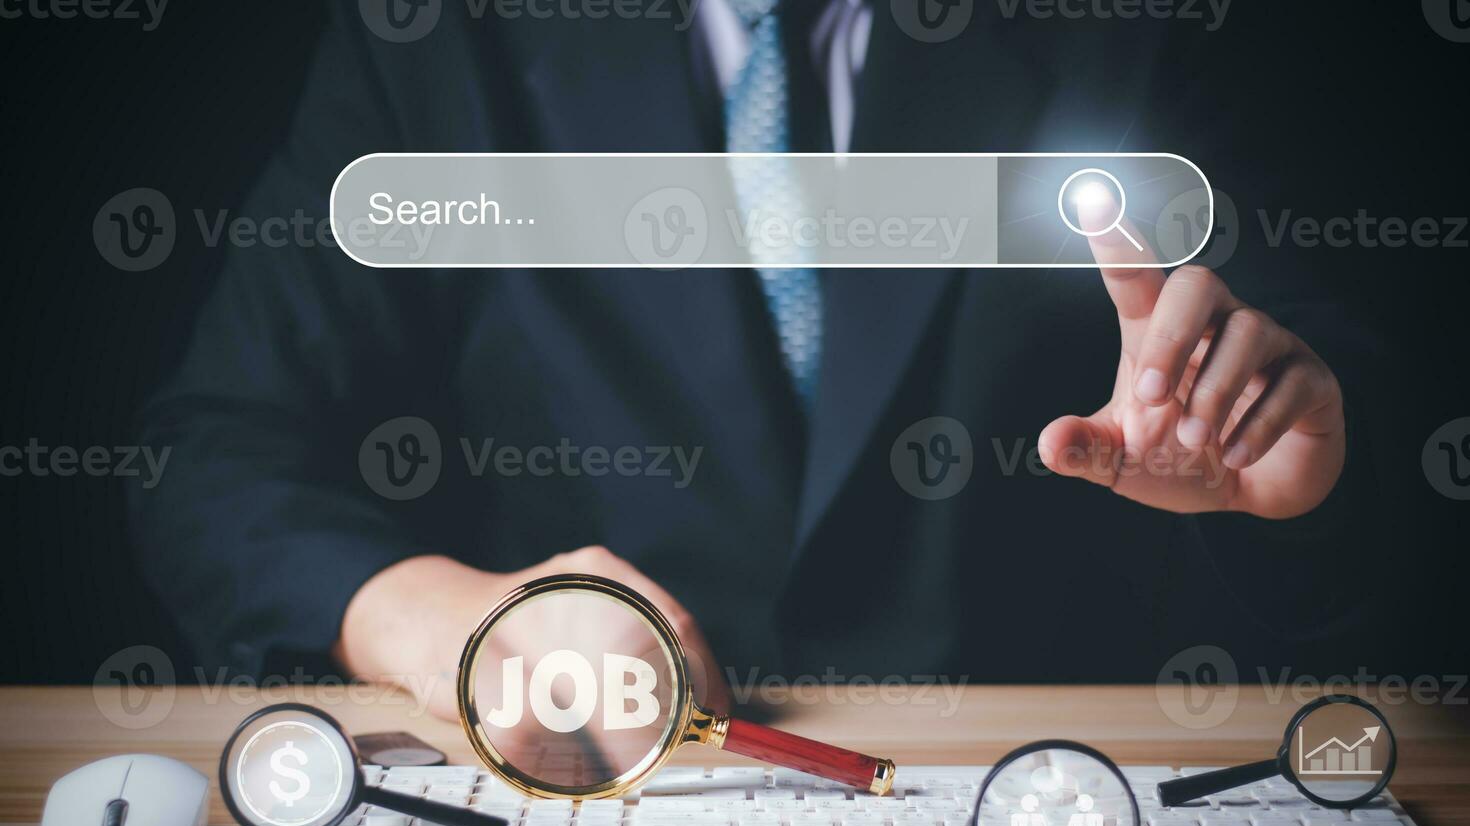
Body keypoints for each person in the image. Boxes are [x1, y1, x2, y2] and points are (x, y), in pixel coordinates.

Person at [131, 1, 1372, 720]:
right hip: (579, 803)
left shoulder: (1121, 34)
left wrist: (1312, 472)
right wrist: (444, 617)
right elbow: (212, 459)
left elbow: (1333, 416)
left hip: (1025, 812)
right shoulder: (443, 37)